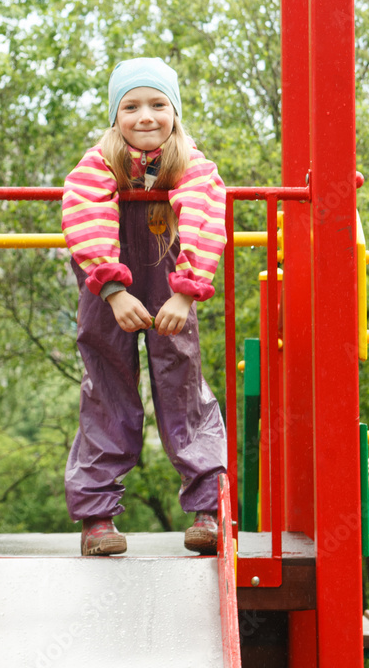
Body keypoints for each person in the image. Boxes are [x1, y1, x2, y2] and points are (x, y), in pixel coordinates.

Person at [61, 57, 228, 557]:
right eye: (130, 106)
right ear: (116, 117)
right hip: (107, 284)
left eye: (158, 104)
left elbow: (204, 214)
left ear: (175, 111)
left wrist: (185, 290)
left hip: (171, 279)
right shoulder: (100, 161)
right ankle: (97, 518)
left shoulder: (190, 162)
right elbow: (85, 213)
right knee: (106, 384)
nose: (145, 116)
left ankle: (206, 508)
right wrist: (112, 290)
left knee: (181, 379)